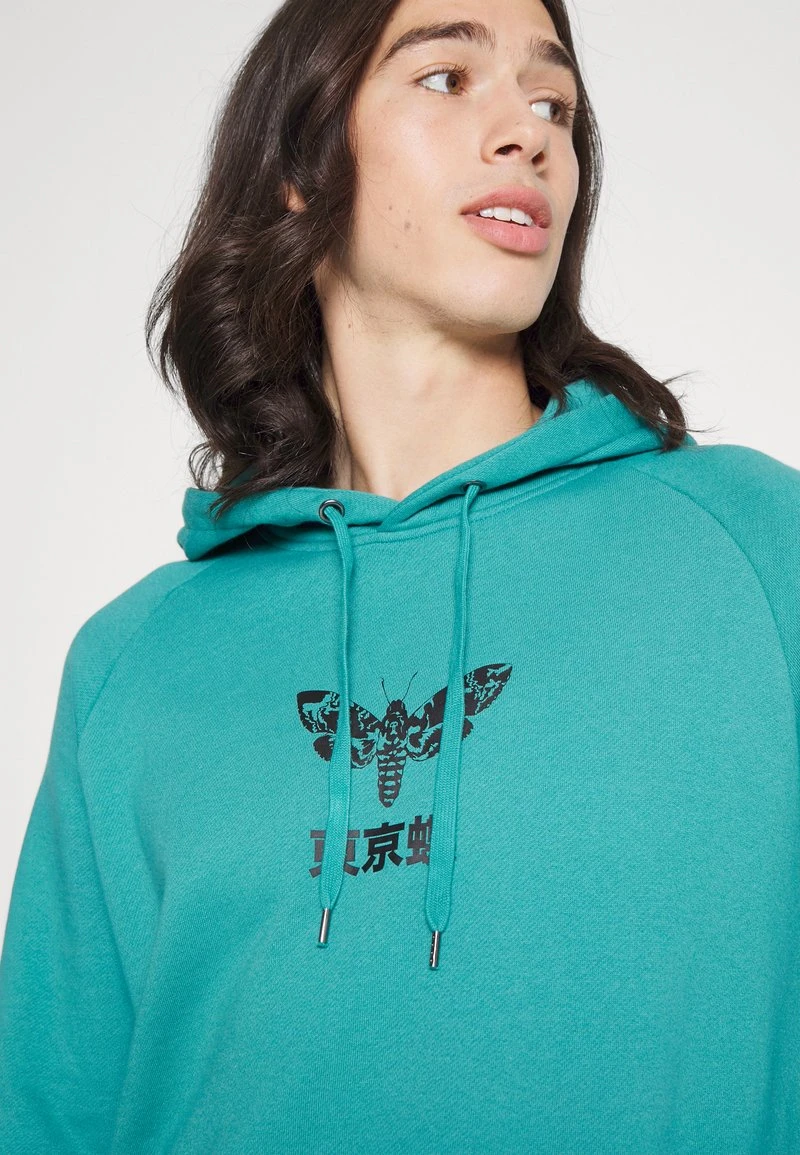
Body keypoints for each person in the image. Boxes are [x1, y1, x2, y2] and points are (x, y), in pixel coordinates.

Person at [1, 0, 798, 1149]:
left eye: (553, 102)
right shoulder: (135, 663)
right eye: (444, 76)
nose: (526, 132)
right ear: (298, 164)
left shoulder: (755, 550)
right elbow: (50, 1114)